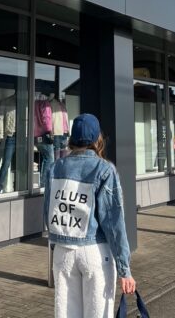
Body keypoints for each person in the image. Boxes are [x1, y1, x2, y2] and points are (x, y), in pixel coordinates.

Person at [44, 113, 136, 318]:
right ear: (97, 139)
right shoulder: (104, 169)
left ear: (72, 138)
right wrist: (125, 269)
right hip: (95, 250)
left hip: (62, 253)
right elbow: (113, 222)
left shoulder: (54, 168)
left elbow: (48, 212)